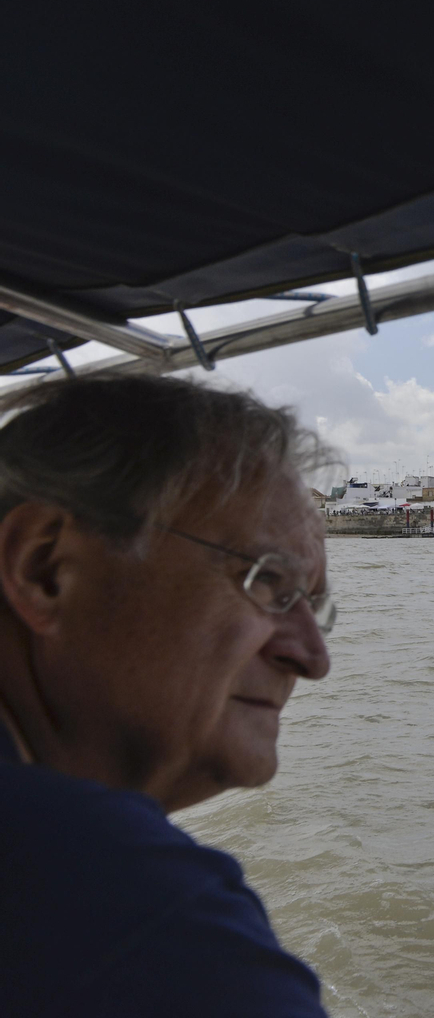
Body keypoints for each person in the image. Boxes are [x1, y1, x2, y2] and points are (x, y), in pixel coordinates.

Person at [0, 375, 334, 1016]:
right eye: (267, 582)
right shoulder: (114, 904)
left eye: (312, 605)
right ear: (45, 568)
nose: (311, 657)